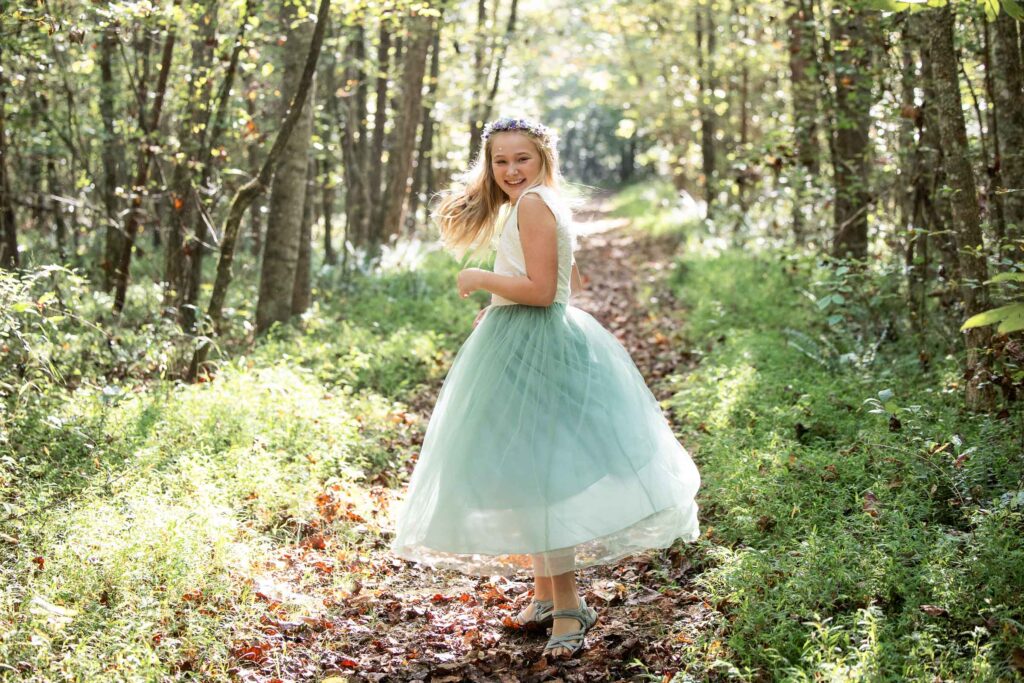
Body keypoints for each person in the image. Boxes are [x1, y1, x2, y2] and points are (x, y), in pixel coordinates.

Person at [390, 116, 700, 661]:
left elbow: (543, 291)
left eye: (521, 159)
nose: (510, 170)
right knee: (529, 469)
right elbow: (570, 280)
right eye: (500, 161)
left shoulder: (534, 204)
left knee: (543, 476)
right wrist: (501, 303)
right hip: (522, 338)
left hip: (536, 344)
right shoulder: (539, 201)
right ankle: (542, 595)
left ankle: (570, 607)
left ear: (543, 159)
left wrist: (479, 278)